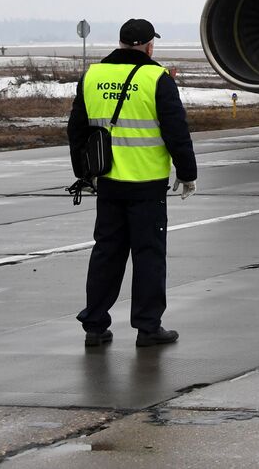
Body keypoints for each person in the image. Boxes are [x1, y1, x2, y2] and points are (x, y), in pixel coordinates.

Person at [67, 18, 197, 349]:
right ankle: (147, 326)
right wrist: (187, 172)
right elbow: (176, 132)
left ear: (123, 42)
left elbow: (76, 130)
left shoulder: (93, 75)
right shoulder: (157, 78)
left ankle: (94, 325)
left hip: (108, 183)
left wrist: (83, 172)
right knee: (148, 256)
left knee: (106, 254)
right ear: (148, 45)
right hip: (146, 184)